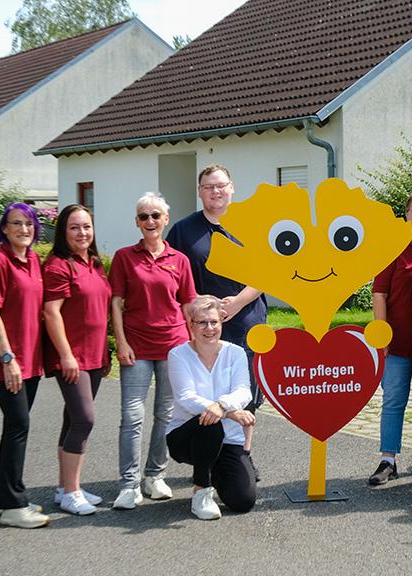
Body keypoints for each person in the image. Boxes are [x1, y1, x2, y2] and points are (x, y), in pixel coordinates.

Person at [166, 164, 267, 479]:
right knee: (206, 390)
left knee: (246, 391)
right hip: (204, 327)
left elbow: (267, 271)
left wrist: (237, 303)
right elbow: (175, 275)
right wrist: (205, 309)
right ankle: (208, 454)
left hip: (247, 319)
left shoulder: (253, 225)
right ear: (200, 192)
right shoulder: (184, 230)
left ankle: (241, 455)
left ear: (232, 188)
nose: (216, 191)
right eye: (209, 186)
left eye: (221, 185)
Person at [109, 192, 197, 510]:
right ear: (137, 222)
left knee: (166, 414)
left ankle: (154, 476)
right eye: (144, 216)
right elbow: (116, 304)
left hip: (173, 347)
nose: (150, 221)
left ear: (165, 220)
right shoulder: (124, 257)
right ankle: (129, 484)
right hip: (137, 347)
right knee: (132, 417)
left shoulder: (179, 260)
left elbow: (188, 305)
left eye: (155, 216)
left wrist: (193, 345)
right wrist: (121, 342)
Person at [0, 202, 49, 528]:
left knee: (14, 427)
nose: (24, 229)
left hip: (32, 361)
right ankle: (12, 505)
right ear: (4, 228)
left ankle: (1, 498)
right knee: (19, 425)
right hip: (8, 362)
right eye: (16, 223)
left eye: (29, 223)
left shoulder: (33, 259)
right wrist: (8, 359)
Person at [42, 204, 111, 515]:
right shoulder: (58, 266)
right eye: (74, 227)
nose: (82, 233)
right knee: (84, 419)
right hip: (72, 357)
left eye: (86, 226)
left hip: (95, 354)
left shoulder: (94, 264)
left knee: (72, 419)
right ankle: (71, 492)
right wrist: (66, 355)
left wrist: (106, 350)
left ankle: (65, 487)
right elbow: (51, 312)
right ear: (63, 232)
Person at [367, 190, 412, 486]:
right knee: (394, 400)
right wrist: (380, 335)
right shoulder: (392, 248)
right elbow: (379, 294)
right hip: (396, 342)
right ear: (406, 215)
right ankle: (388, 460)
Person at [166, 296, 257, 520]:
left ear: (222, 323)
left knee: (242, 501)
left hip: (229, 439)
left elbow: (244, 391)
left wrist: (222, 406)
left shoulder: (235, 353)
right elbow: (186, 397)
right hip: (186, 437)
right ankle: (201, 491)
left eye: (214, 322)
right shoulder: (178, 355)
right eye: (202, 323)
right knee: (210, 424)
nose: (209, 328)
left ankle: (213, 470)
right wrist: (230, 412)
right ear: (191, 325)